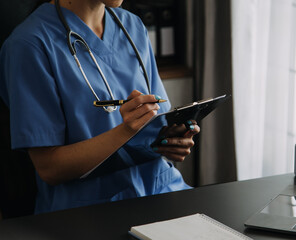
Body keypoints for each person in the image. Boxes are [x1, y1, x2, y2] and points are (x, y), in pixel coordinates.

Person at [0, 0, 199, 214]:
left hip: (163, 190)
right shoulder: (29, 44)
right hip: (90, 210)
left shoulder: (132, 26)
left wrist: (172, 138)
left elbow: (158, 121)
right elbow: (49, 168)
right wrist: (126, 132)